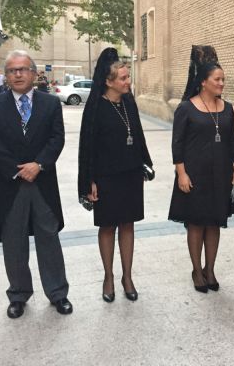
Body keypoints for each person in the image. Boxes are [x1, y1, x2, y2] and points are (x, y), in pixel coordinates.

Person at [0, 50, 72, 319]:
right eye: (11, 70)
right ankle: (18, 294)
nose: (17, 74)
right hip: (9, 185)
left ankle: (58, 293)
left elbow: (57, 138)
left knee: (49, 237)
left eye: (22, 69)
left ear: (33, 73)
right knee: (13, 240)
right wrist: (17, 170)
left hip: (42, 182)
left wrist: (39, 164)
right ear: (6, 76)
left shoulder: (51, 103)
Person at [78, 48, 153, 303]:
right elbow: (86, 147)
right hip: (106, 177)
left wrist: (145, 163)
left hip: (130, 174)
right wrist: (89, 180)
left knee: (128, 225)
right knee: (108, 226)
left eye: (127, 77)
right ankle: (108, 276)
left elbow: (139, 135)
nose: (127, 82)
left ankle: (127, 277)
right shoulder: (97, 107)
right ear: (108, 81)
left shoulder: (129, 102)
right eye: (122, 78)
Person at [168, 46, 234, 293]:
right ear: (203, 83)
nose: (222, 83)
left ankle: (210, 269)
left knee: (214, 223)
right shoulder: (186, 108)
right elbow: (177, 143)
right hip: (195, 175)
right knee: (196, 223)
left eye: (223, 79)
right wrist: (181, 173)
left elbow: (233, 140)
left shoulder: (228, 108)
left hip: (220, 174)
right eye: (217, 79)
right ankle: (197, 270)